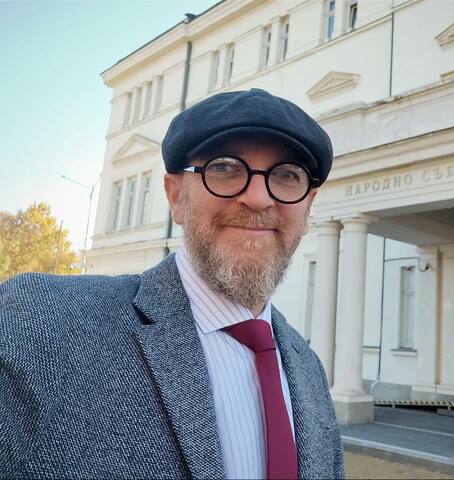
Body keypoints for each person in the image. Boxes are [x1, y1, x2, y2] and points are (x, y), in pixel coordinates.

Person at [0, 89, 344, 480]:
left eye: (286, 175)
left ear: (308, 206)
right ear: (176, 196)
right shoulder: (41, 325)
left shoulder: (309, 368)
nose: (258, 198)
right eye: (225, 167)